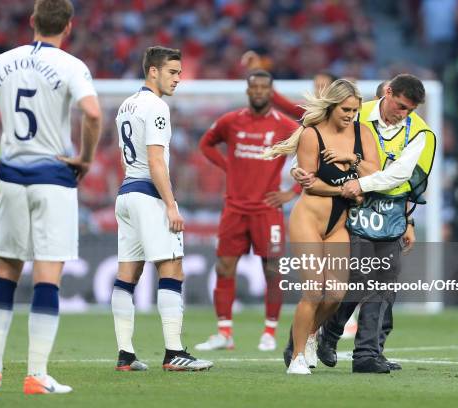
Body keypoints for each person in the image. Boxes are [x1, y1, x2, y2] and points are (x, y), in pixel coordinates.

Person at [0, 0, 101, 394]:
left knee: (5, 273)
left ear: (33, 21)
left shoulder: (4, 62)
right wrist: (85, 159)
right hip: (53, 179)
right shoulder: (72, 66)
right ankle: (36, 375)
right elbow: (92, 113)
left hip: (12, 178)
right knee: (46, 278)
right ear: (68, 26)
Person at [293, 74, 436, 373]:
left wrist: (408, 220)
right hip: (350, 207)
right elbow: (314, 144)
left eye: (410, 110)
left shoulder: (421, 132)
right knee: (354, 279)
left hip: (389, 210)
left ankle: (368, 354)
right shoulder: (356, 113)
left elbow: (404, 178)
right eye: (400, 105)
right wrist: (300, 169)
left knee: (384, 283)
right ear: (388, 92)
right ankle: (315, 335)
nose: (404, 114)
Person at [264, 79, 380, 374]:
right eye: (345, 109)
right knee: (314, 290)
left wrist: (350, 159)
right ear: (331, 106)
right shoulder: (311, 135)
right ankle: (297, 357)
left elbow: (376, 172)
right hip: (309, 220)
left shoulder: (361, 133)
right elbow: (311, 185)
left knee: (337, 294)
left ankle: (308, 335)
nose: (350, 115)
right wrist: (347, 189)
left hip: (338, 224)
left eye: (354, 110)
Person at [112, 46, 213, 372]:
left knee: (127, 276)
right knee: (172, 269)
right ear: (152, 71)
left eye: (179, 73)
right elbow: (156, 160)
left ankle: (125, 355)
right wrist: (171, 206)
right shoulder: (156, 107)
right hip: (147, 194)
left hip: (126, 194)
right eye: (172, 72)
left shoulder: (126, 105)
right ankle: (173, 353)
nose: (178, 79)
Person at [194, 70, 299, 352]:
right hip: (235, 208)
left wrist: (292, 192)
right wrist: (229, 166)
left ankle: (269, 332)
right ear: (248, 90)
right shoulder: (231, 121)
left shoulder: (284, 125)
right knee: (224, 267)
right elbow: (206, 143)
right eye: (255, 87)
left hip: (268, 210)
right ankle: (224, 333)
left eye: (265, 87)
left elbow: (311, 154)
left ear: (271, 91)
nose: (259, 92)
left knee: (273, 269)